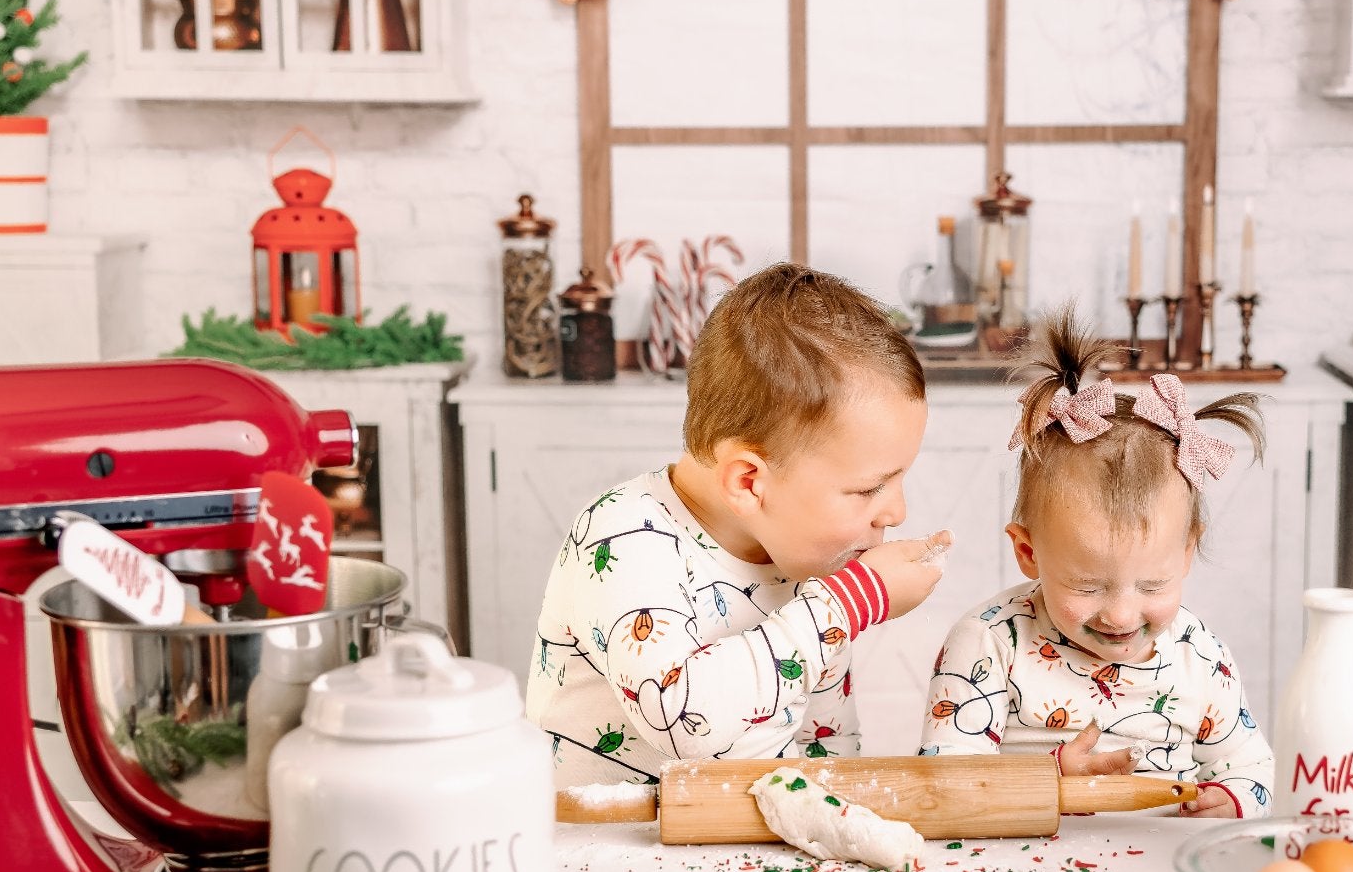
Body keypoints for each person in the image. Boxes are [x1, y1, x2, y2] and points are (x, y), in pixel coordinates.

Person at [530, 262, 952, 786]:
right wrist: (847, 605)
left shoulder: (803, 557)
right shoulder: (621, 536)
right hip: (607, 833)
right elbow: (682, 722)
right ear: (750, 482)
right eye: (869, 489)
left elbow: (826, 743)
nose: (897, 513)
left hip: (732, 834)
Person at [917, 309, 1274, 818]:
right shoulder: (990, 643)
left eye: (1152, 585)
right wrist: (1048, 779)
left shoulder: (1200, 656)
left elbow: (1252, 767)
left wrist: (1232, 799)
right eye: (1087, 586)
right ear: (1028, 553)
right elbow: (943, 786)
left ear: (1186, 554)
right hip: (1023, 863)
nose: (1121, 615)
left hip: (1163, 862)